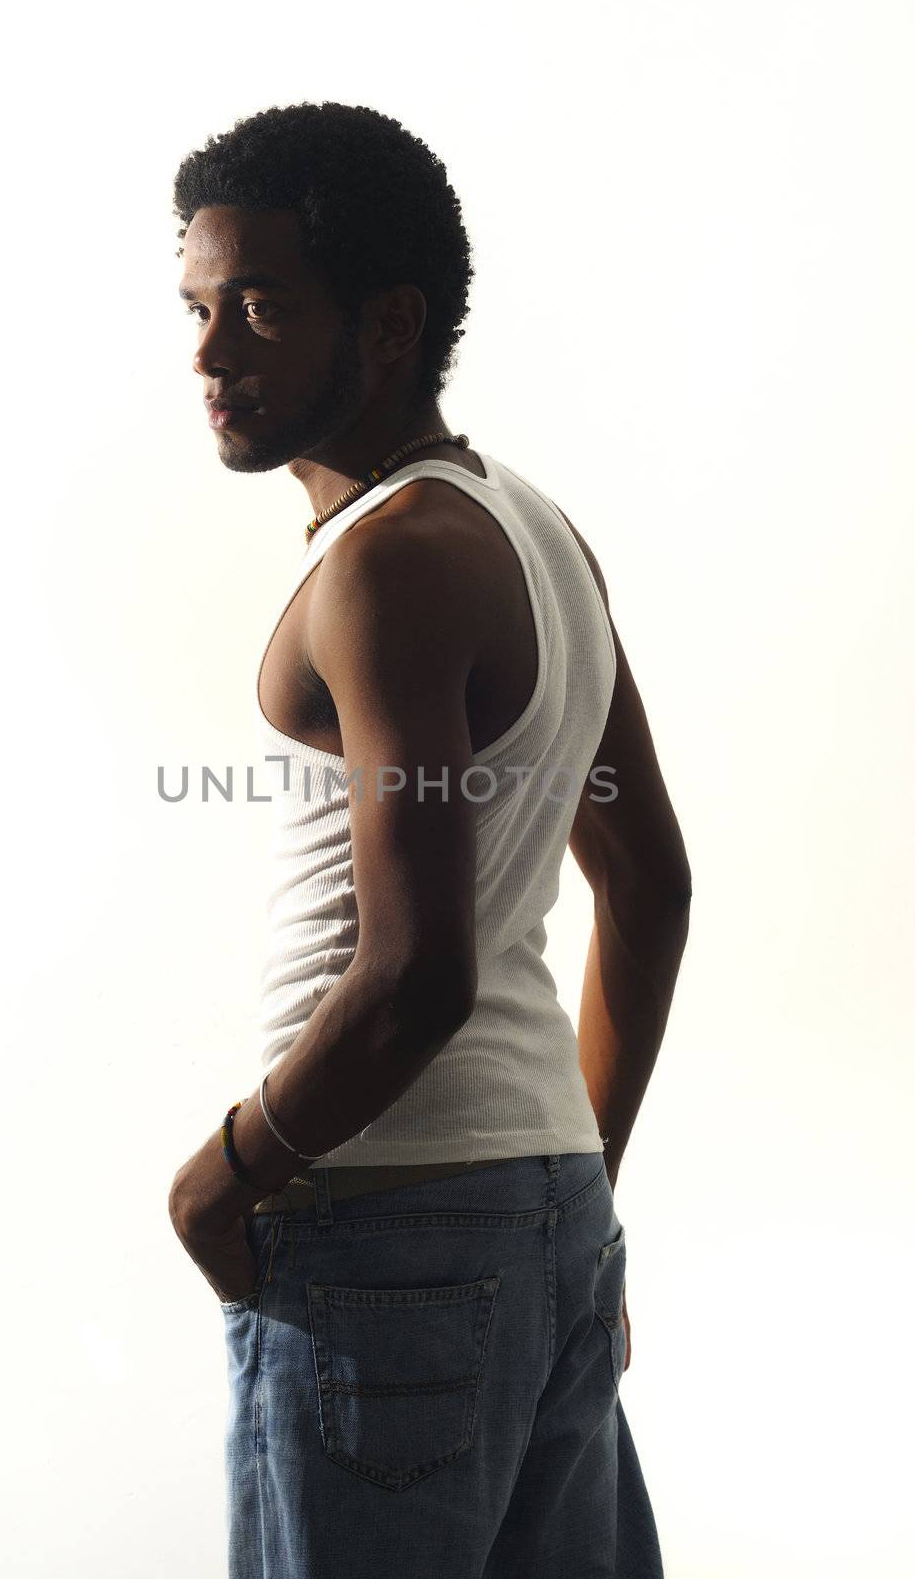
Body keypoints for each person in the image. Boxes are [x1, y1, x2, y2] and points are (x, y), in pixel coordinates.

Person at [166, 101, 691, 1579]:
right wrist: (573, 1197)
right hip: (542, 1211)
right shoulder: (531, 528)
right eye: (199, 306)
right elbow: (646, 881)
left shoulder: (389, 567)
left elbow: (414, 977)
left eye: (261, 308)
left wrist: (223, 1173)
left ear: (390, 323)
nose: (210, 354)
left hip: (376, 1218)